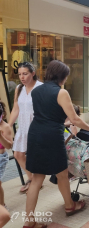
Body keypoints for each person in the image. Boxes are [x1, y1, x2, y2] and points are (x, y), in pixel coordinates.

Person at [24, 60, 89, 228]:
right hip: (52, 136)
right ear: (63, 76)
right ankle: (70, 205)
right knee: (62, 173)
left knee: (37, 178)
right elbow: (74, 119)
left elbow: (45, 114)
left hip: (35, 134)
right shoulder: (61, 92)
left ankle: (29, 221)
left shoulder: (36, 91)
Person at [7, 62, 43, 193]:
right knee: (18, 154)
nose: (22, 77)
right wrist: (8, 126)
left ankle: (36, 181)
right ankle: (32, 179)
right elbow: (16, 109)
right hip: (22, 127)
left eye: (25, 74)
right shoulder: (19, 88)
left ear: (33, 73)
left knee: (36, 157)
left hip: (36, 127)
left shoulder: (41, 88)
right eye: (20, 74)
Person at [0, 102, 13, 207]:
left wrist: (0, 136)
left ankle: (2, 206)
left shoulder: (5, 127)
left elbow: (9, 146)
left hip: (1, 158)